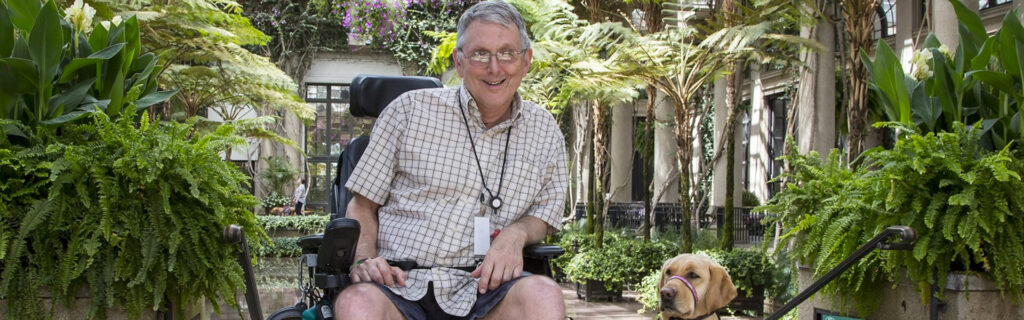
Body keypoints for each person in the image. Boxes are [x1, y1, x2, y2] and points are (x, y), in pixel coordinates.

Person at [332, 1, 568, 319]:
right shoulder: (408, 111)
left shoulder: (545, 131)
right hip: (398, 282)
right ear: (459, 62)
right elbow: (362, 206)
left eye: (507, 53)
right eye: (480, 53)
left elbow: (543, 216)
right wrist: (363, 260)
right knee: (356, 304)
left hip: (485, 288)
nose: (495, 67)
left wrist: (517, 233)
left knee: (544, 295)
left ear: (525, 61)